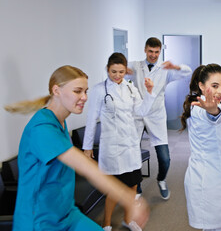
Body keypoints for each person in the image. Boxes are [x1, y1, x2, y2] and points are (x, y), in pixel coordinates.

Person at [4, 65, 149, 231]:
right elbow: (85, 167)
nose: (85, 97)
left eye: (85, 91)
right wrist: (128, 199)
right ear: (56, 90)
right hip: (40, 222)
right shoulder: (42, 128)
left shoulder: (60, 122)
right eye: (77, 91)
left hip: (66, 213)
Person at [82, 53, 155, 231]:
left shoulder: (131, 88)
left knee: (133, 185)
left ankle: (128, 219)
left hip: (130, 145)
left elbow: (141, 111)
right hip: (112, 147)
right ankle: (106, 223)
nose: (117, 75)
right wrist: (87, 147)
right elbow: (91, 119)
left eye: (121, 72)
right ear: (107, 69)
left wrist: (150, 93)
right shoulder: (100, 90)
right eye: (114, 71)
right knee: (114, 189)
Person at [180, 64, 221, 231]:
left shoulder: (216, 107)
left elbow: (218, 126)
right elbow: (211, 117)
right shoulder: (201, 109)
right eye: (214, 86)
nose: (220, 91)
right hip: (208, 181)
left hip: (220, 174)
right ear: (201, 86)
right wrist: (215, 113)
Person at [129, 37, 192, 200]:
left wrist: (176, 66)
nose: (153, 55)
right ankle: (137, 185)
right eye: (150, 51)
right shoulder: (136, 66)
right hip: (137, 115)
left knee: (165, 158)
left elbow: (188, 72)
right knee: (133, 152)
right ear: (145, 50)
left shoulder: (165, 70)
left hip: (156, 115)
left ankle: (161, 180)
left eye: (157, 52)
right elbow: (117, 69)